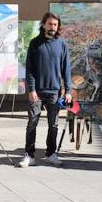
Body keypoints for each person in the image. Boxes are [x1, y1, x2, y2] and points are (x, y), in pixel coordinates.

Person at [19, 12, 72, 168]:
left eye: (55, 25)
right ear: (43, 24)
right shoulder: (35, 43)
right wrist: (32, 89)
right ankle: (29, 155)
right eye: (50, 24)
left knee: (53, 125)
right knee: (32, 123)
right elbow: (29, 69)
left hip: (55, 92)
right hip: (37, 92)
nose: (53, 27)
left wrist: (68, 90)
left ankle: (51, 154)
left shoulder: (62, 44)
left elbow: (66, 69)